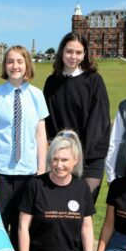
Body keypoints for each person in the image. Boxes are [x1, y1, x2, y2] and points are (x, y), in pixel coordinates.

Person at [17, 130, 96, 251]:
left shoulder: (81, 188)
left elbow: (86, 226)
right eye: (55, 159)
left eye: (64, 160)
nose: (59, 165)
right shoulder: (35, 185)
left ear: (75, 160)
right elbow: (22, 226)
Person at [0, 45, 48, 250]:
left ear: (27, 64)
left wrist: (41, 168)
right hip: (0, 170)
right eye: (10, 61)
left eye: (20, 61)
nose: (15, 66)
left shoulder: (36, 95)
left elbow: (40, 134)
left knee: (23, 224)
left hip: (27, 171)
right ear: (5, 65)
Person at [43, 32, 110, 204]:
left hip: (89, 158)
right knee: (60, 213)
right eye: (69, 51)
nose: (74, 57)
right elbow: (48, 122)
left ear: (85, 54)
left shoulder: (94, 80)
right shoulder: (52, 82)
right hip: (60, 158)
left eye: (79, 52)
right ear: (61, 52)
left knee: (82, 213)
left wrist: (78, 154)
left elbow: (99, 122)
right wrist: (60, 152)